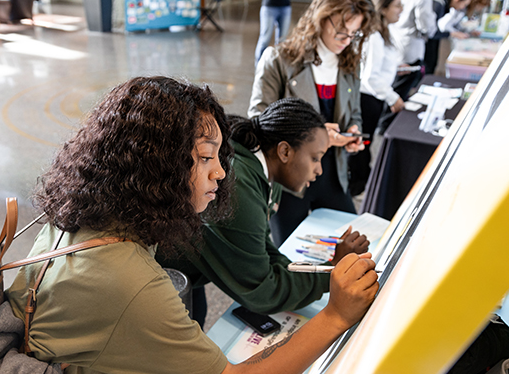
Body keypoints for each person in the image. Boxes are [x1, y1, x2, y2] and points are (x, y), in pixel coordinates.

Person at [6, 77, 379, 374]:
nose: (219, 172)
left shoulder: (93, 215)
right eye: (204, 158)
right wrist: (335, 317)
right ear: (159, 165)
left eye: (218, 156)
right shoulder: (130, 281)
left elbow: (84, 321)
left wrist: (134, 370)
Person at [159, 97, 370, 325]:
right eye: (315, 158)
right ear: (285, 151)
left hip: (188, 269)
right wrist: (330, 273)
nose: (319, 170)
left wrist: (321, 271)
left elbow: (260, 248)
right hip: (161, 278)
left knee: (195, 316)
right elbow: (263, 292)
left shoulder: (265, 174)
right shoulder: (238, 187)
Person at [249, 0, 376, 246]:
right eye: (341, 31)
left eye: (354, 33)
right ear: (321, 17)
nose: (347, 40)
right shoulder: (279, 60)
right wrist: (315, 135)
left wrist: (353, 133)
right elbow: (258, 122)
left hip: (334, 174)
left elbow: (355, 114)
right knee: (289, 255)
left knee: (352, 247)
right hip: (289, 181)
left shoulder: (350, 63)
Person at [355, 0, 404, 196]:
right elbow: (370, 77)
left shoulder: (384, 32)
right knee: (362, 145)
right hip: (368, 99)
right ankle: (358, 186)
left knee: (365, 144)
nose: (401, 10)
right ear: (383, 9)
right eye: (397, 6)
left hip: (374, 97)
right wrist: (394, 97)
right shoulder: (374, 36)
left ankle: (361, 183)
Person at [389, 0, 436, 100]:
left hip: (393, 42)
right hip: (411, 49)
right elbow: (426, 27)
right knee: (400, 93)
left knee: (394, 86)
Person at [424, 0, 472, 76]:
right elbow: (431, 31)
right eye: (464, 4)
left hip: (430, 41)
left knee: (432, 63)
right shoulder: (439, 4)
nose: (463, 8)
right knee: (428, 66)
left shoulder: (443, 4)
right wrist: (451, 33)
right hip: (424, 42)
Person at [253, 0, 292, 68]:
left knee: (282, 41)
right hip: (270, 5)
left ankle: (278, 68)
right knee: (265, 39)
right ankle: (259, 66)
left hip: (285, 6)